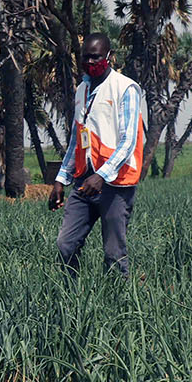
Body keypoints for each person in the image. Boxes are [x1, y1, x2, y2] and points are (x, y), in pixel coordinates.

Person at [48, 33, 143, 278]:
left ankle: (117, 297)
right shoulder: (82, 89)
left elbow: (128, 141)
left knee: (114, 253)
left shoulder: (126, 88)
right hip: (84, 182)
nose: (90, 62)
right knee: (66, 245)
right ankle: (70, 294)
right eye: (86, 57)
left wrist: (101, 176)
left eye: (96, 57)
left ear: (109, 57)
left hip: (115, 184)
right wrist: (60, 180)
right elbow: (76, 140)